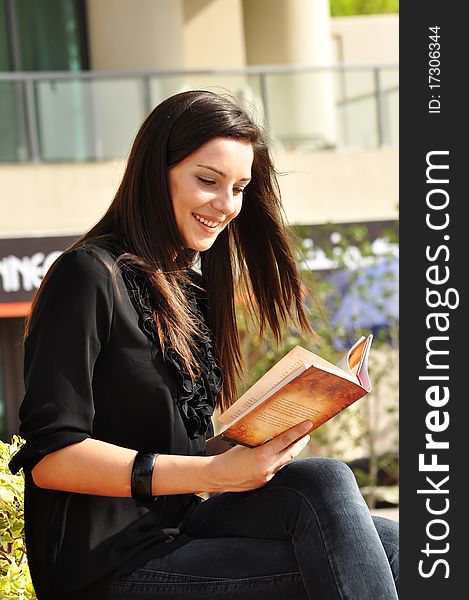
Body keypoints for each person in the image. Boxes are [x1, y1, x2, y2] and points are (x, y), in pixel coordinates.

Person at [9, 90, 399, 600]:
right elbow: (52, 458)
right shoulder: (87, 277)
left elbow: (180, 452)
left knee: (377, 525)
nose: (227, 205)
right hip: (106, 568)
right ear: (157, 172)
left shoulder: (188, 288)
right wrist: (215, 471)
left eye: (239, 188)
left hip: (182, 530)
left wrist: (256, 442)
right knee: (337, 542)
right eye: (207, 181)